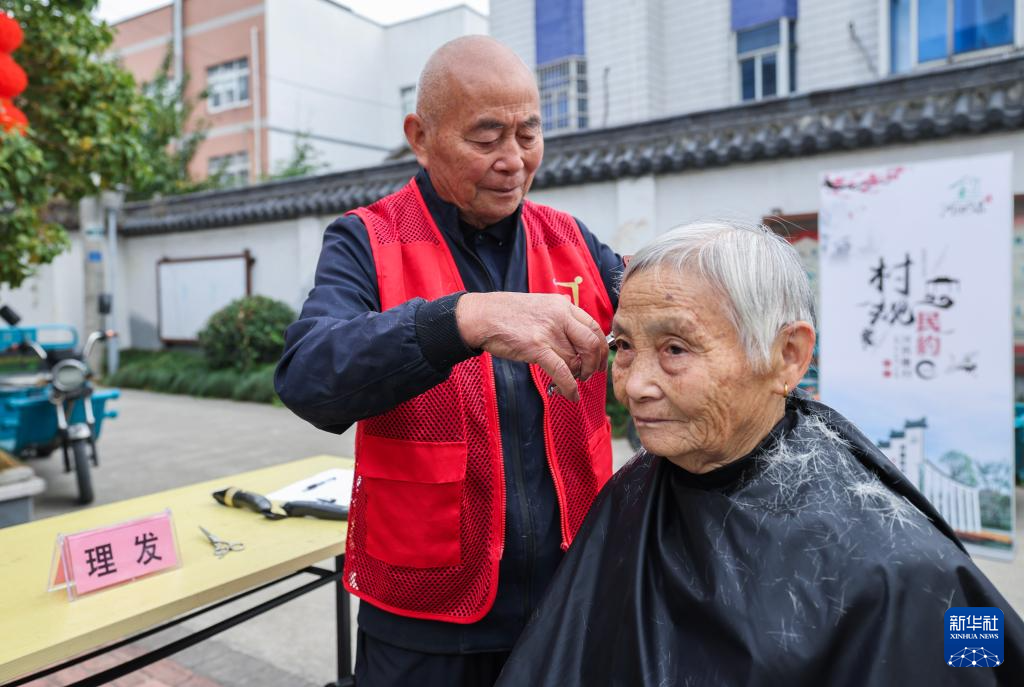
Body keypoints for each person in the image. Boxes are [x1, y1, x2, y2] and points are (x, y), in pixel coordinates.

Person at [496, 221, 1024, 686]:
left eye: (675, 349)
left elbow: (979, 651)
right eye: (624, 347)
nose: (635, 386)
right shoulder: (633, 495)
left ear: (787, 356)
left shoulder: (908, 569)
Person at [274, 36, 623, 687]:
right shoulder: (368, 241)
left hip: (569, 594)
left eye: (528, 133)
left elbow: (659, 332)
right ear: (420, 135)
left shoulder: (574, 242)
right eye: (486, 137)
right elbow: (307, 376)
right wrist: (460, 320)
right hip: (423, 619)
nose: (513, 160)